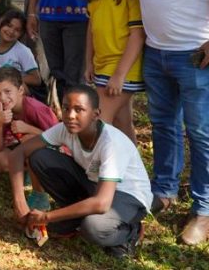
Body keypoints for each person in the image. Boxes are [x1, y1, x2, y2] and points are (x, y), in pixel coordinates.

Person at [122, 0, 209, 245]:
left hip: (196, 54)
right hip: (156, 53)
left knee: (201, 134)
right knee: (164, 126)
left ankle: (203, 210)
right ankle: (164, 192)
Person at [9, 85, 151, 258]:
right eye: (66, 108)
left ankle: (131, 231)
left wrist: (47, 217)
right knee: (40, 157)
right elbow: (19, 153)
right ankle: (73, 218)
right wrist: (19, 202)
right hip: (94, 184)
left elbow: (101, 203)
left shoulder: (111, 144)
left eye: (79, 110)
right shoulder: (65, 129)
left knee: (93, 227)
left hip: (128, 196)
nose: (70, 115)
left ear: (95, 114)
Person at [76, 0, 144, 143]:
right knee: (123, 124)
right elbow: (92, 28)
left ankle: (99, 172)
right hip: (102, 65)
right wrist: (89, 62)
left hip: (123, 68)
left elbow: (138, 34)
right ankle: (134, 173)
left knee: (98, 122)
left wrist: (119, 75)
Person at [0, 67, 57, 210]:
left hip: (51, 158)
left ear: (20, 90)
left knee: (29, 140)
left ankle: (40, 195)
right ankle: (28, 172)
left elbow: (59, 139)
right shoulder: (2, 109)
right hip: (21, 151)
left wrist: (29, 129)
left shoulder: (36, 108)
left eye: (7, 91)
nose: (2, 98)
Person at [0, 10, 42, 89]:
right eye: (9, 25)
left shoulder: (23, 51)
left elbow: (36, 79)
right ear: (1, 23)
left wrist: (9, 79)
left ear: (21, 33)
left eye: (17, 30)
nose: (11, 31)